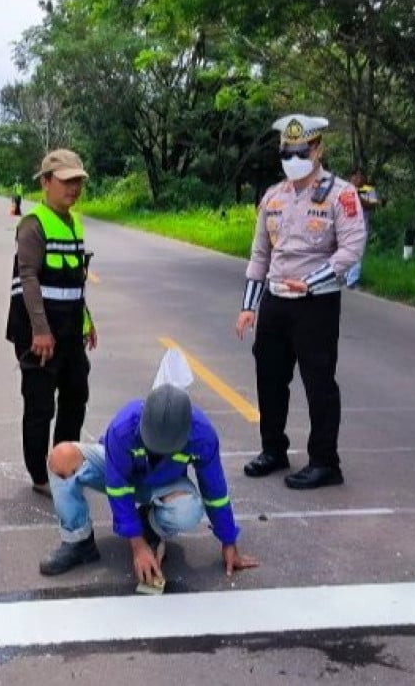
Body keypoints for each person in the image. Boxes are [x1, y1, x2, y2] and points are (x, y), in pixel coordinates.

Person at [236, 114, 366, 489]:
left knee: (319, 382)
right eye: (287, 151)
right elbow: (260, 254)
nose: (293, 157)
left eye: (301, 150)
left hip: (316, 304)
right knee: (270, 378)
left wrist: (310, 282)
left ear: (318, 149)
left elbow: (351, 250)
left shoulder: (341, 194)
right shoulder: (273, 197)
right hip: (276, 301)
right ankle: (273, 449)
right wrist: (248, 306)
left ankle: (325, 461)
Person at [38, 384, 260, 581]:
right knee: (61, 457)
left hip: (164, 484)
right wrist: (137, 546)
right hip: (123, 475)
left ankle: (150, 526)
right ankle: (79, 542)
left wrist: (228, 541)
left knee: (189, 510)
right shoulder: (123, 427)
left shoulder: (203, 436)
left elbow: (215, 492)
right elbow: (118, 488)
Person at [6, 149, 97, 497]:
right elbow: (27, 278)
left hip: (71, 329)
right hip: (39, 331)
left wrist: (87, 321)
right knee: (40, 404)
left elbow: (75, 279)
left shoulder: (74, 222)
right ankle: (40, 476)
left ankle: (64, 461)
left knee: (76, 394)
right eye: (66, 181)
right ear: (46, 182)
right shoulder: (32, 224)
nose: (73, 188)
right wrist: (41, 331)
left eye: (78, 181)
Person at [344, 170, 381, 288]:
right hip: (345, 227)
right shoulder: (345, 189)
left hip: (362, 227)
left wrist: (358, 195)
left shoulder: (368, 190)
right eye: (355, 176)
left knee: (358, 254)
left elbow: (372, 205)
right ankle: (346, 276)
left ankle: (352, 280)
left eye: (360, 176)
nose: (358, 179)